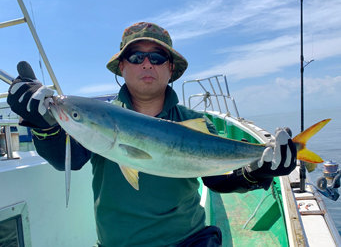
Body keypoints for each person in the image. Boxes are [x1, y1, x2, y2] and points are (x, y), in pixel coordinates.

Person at [7, 22, 297, 246]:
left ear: (170, 69)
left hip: (190, 240)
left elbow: (218, 179)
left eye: (157, 57)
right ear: (122, 67)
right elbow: (65, 159)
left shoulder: (194, 121)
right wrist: (43, 124)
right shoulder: (102, 118)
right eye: (136, 56)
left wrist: (259, 170)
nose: (147, 63)